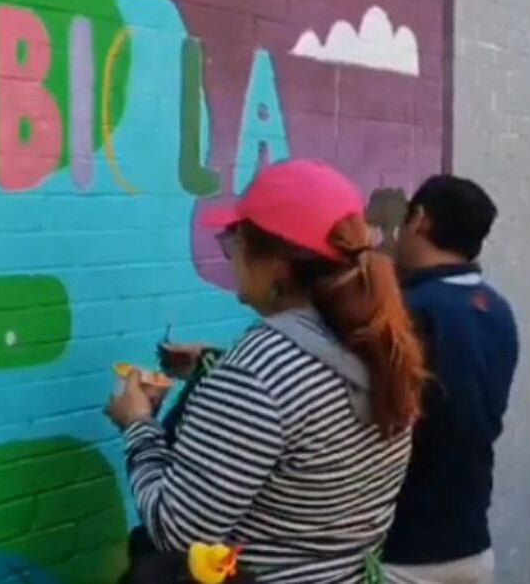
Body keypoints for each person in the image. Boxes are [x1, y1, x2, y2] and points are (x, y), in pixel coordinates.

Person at [106, 160, 426, 583]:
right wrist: (213, 368)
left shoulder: (258, 372)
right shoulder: (375, 346)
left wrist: (138, 425)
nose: (230, 254)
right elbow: (304, 404)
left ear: (275, 266)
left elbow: (179, 530)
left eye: (233, 241)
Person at [383, 176, 520, 584]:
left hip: (407, 549)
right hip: (471, 543)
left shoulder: (411, 312)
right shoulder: (497, 310)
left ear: (419, 220)